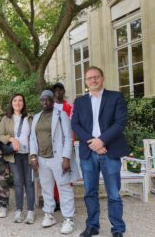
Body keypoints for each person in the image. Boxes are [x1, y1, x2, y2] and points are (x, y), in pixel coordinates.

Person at [72, 66, 129, 237]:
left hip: (109, 151)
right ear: (86, 82)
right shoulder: (79, 102)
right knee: (90, 192)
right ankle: (92, 226)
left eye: (96, 77)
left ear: (102, 78)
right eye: (89, 78)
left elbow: (120, 123)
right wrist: (93, 142)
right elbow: (75, 124)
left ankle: (118, 229)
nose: (93, 80)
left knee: (113, 193)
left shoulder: (116, 97)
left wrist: (101, 141)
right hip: (89, 153)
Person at [30, 90, 80, 235]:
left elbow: (68, 137)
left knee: (64, 188)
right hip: (42, 159)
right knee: (46, 188)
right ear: (40, 101)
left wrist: (66, 158)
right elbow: (33, 138)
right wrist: (33, 156)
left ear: (53, 100)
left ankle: (69, 219)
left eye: (48, 99)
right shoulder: (37, 117)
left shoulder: (61, 115)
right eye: (43, 100)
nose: (45, 102)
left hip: (58, 159)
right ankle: (49, 215)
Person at [0, 93, 35, 224]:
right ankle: (19, 210)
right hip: (14, 156)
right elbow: (0, 135)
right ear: (11, 103)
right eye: (15, 100)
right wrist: (11, 138)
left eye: (20, 100)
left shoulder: (30, 118)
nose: (18, 103)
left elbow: (34, 136)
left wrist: (35, 154)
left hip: (28, 155)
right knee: (18, 183)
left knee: (29, 183)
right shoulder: (6, 118)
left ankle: (30, 211)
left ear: (23, 103)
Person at [52, 82, 74, 212]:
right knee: (53, 175)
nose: (58, 92)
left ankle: (65, 200)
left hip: (65, 146)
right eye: (55, 90)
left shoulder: (70, 108)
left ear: (64, 91)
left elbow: (72, 129)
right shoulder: (48, 107)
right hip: (53, 147)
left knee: (66, 173)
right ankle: (55, 200)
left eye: (60, 90)